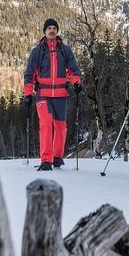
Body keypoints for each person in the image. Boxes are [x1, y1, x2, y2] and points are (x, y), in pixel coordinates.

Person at [24, 18, 82, 171]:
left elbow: (73, 69)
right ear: (45, 31)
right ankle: (46, 160)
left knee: (61, 127)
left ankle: (57, 157)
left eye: (54, 28)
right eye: (49, 28)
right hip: (43, 94)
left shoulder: (65, 50)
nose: (51, 30)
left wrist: (76, 82)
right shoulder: (38, 51)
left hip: (61, 94)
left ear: (57, 31)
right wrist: (28, 94)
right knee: (46, 126)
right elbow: (29, 74)